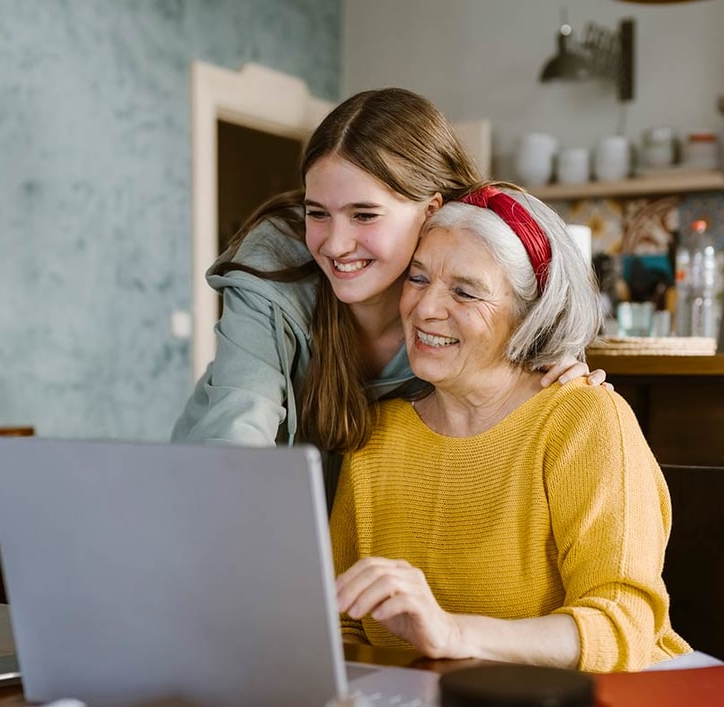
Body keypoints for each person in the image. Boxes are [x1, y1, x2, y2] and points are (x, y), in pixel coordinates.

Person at [171, 88, 605, 507]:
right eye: (317, 212)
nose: (336, 245)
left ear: (431, 210)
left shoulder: (456, 308)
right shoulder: (277, 263)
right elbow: (236, 427)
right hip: (239, 506)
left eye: (364, 215)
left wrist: (554, 369)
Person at [331, 183, 691, 672]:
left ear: (529, 312)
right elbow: (343, 624)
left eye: (465, 290)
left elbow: (620, 628)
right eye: (417, 279)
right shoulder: (376, 436)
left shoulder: (584, 422)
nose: (426, 308)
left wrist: (453, 632)